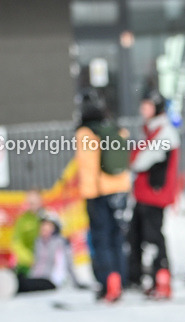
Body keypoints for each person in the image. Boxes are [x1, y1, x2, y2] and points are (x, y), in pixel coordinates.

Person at [75, 92, 131, 302]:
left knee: (101, 239)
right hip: (120, 190)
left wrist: (87, 194)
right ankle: (121, 280)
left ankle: (109, 282)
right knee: (118, 237)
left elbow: (87, 167)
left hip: (98, 193)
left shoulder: (86, 133)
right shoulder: (117, 129)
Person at [128, 90, 180, 299]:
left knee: (153, 238)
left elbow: (140, 160)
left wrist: (136, 155)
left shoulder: (164, 132)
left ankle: (162, 279)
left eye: (147, 105)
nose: (143, 109)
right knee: (136, 237)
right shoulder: (152, 130)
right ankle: (144, 278)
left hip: (154, 195)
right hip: (143, 194)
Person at [16, 212, 77, 294]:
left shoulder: (60, 242)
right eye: (42, 225)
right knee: (20, 277)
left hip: (50, 280)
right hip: (36, 278)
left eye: (47, 225)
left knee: (23, 284)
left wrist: (75, 282)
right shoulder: (38, 242)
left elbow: (67, 264)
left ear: (54, 228)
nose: (44, 228)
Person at [11, 189, 43, 277]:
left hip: (45, 263)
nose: (32, 205)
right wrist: (29, 260)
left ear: (40, 201)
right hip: (27, 265)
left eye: (34, 202)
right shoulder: (22, 220)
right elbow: (17, 243)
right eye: (30, 202)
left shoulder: (48, 217)